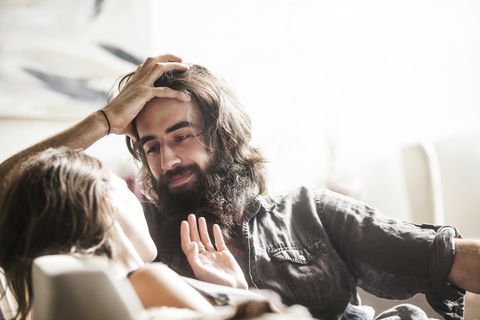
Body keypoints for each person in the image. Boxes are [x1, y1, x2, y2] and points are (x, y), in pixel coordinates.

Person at [0, 53, 479, 319]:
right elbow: (12, 195)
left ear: (225, 139)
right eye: (149, 146)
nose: (166, 159)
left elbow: (450, 258)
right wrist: (105, 121)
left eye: (181, 137)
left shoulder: (308, 212)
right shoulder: (136, 237)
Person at [0, 147, 250, 320]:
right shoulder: (147, 282)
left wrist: (231, 290)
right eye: (128, 191)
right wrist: (240, 297)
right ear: (106, 199)